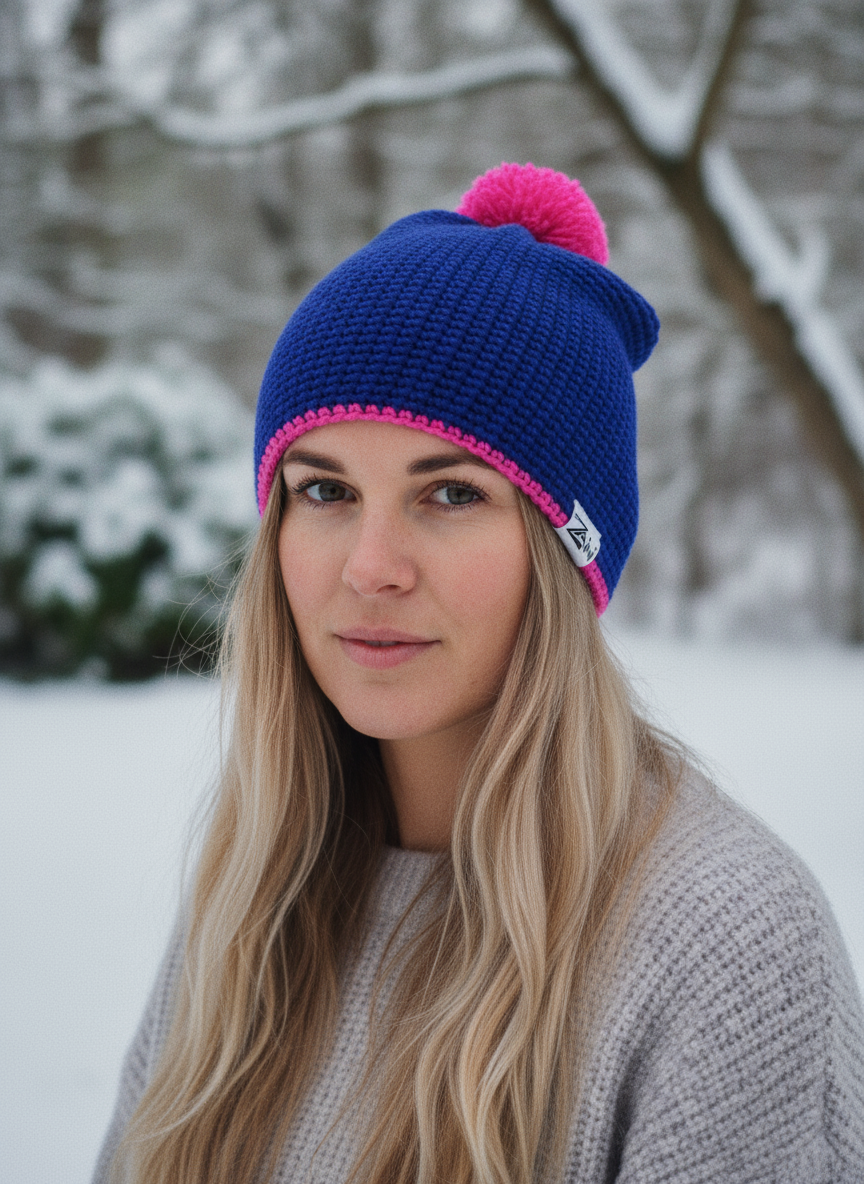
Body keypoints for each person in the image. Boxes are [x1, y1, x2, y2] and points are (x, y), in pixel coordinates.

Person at [93, 164, 864, 1184]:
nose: (370, 565)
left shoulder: (725, 944)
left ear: (563, 551)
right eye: (323, 488)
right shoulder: (254, 892)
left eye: (450, 492)